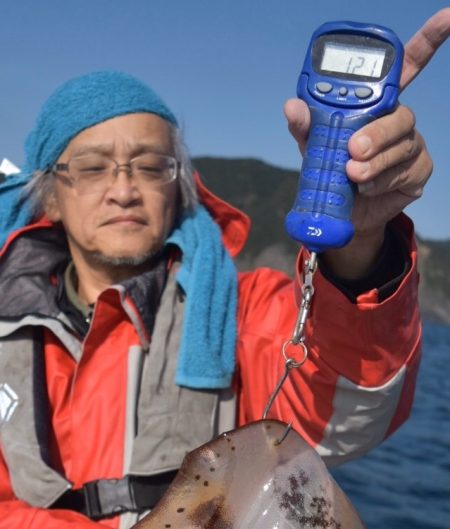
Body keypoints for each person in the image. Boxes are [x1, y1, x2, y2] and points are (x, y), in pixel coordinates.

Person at [0, 9, 448, 529]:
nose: (123, 190)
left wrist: (362, 241)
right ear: (50, 195)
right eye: (92, 167)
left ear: (180, 187)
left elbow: (342, 418)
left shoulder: (245, 311)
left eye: (151, 166)